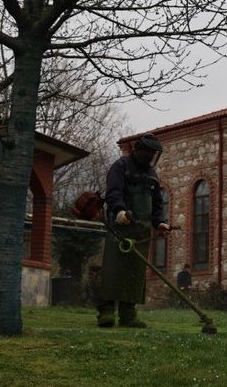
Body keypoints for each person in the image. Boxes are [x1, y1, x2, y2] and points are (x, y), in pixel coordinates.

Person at [96, 133, 171, 328]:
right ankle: (106, 312)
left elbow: (157, 203)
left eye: (153, 153)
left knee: (134, 274)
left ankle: (128, 314)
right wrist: (119, 210)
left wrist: (160, 222)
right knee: (114, 269)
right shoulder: (120, 167)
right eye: (147, 151)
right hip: (120, 228)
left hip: (142, 232)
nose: (150, 156)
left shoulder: (152, 175)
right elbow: (113, 192)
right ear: (138, 150)